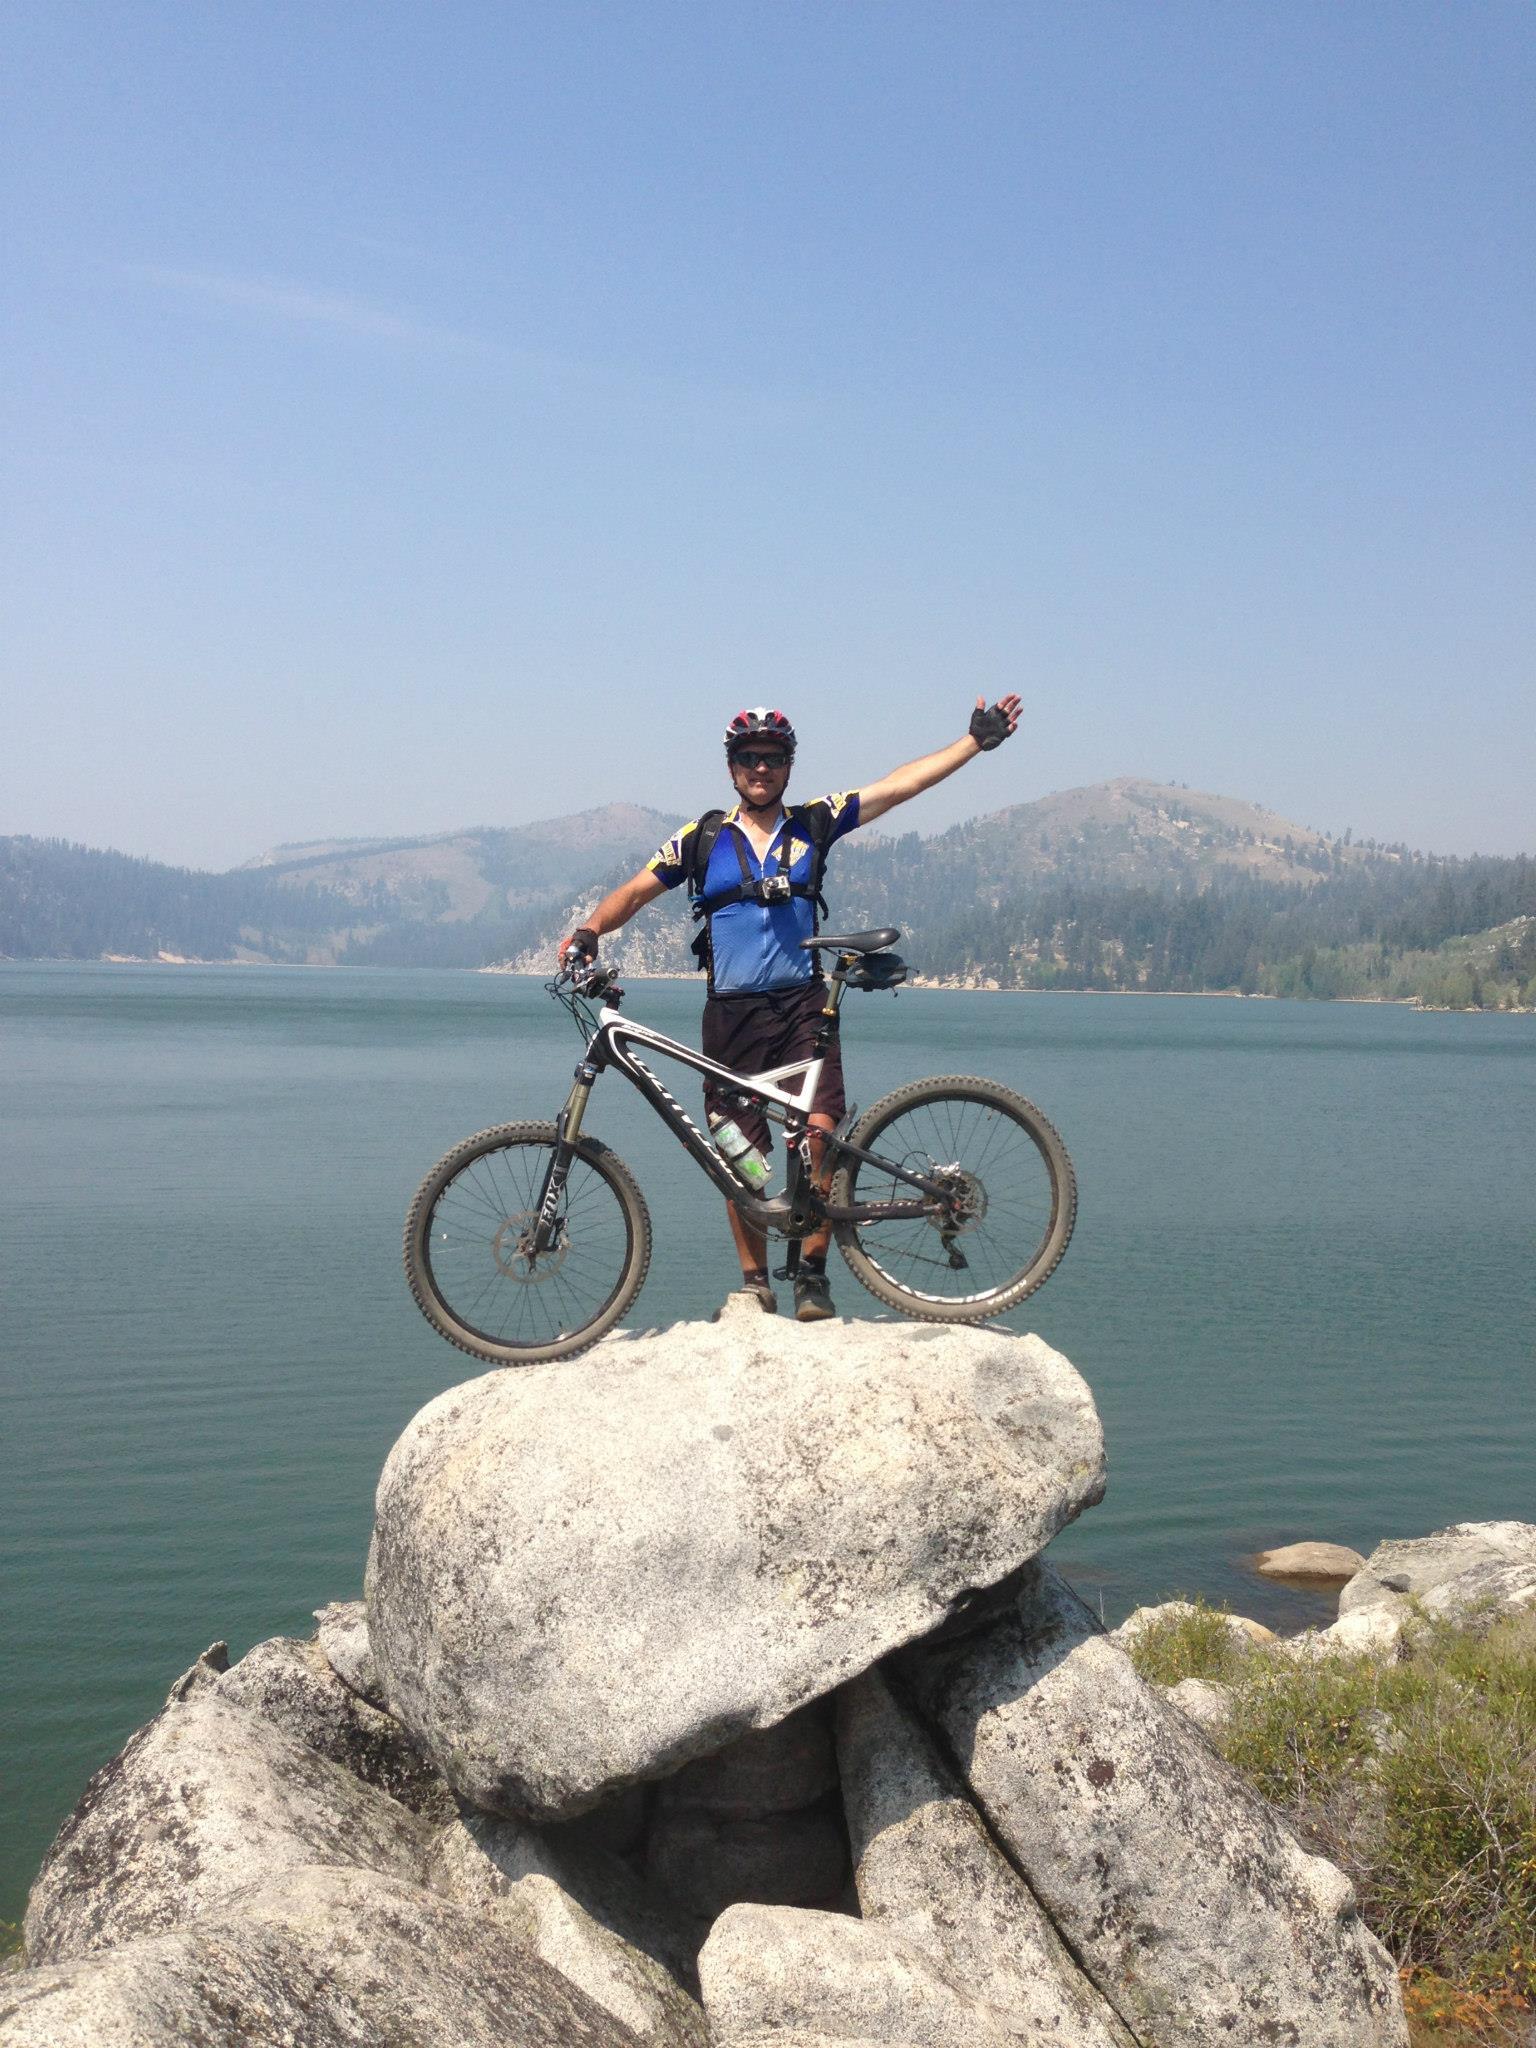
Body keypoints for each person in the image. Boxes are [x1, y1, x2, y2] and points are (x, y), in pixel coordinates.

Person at [559, 697, 1020, 1320]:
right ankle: (755, 1283)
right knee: (735, 1155)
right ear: (731, 768)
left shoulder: (815, 822)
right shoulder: (700, 839)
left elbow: (897, 788)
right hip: (730, 1015)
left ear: (788, 767)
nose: (760, 768)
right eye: (749, 758)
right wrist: (589, 932)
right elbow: (636, 891)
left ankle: (812, 1275)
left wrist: (972, 743)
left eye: (773, 759)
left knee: (818, 1139)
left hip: (803, 1006)